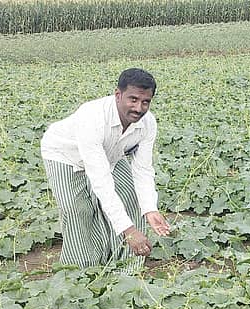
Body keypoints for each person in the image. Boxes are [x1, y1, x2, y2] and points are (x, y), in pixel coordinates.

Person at [41, 68, 170, 272]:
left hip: (111, 154)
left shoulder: (147, 123)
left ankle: (127, 266)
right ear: (118, 95)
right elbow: (100, 180)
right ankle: (80, 271)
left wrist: (150, 208)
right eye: (133, 99)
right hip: (65, 154)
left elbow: (143, 169)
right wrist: (128, 230)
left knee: (131, 196)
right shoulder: (92, 118)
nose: (139, 107)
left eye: (145, 102)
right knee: (78, 210)